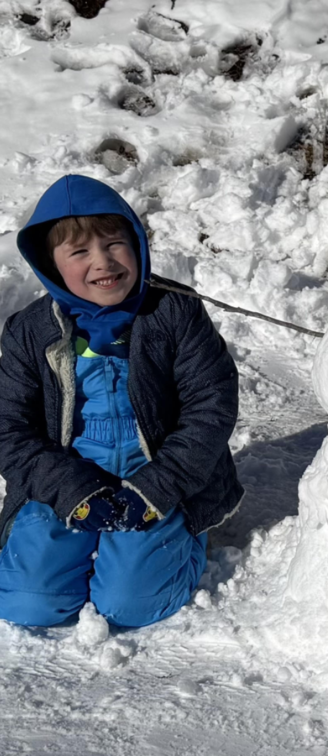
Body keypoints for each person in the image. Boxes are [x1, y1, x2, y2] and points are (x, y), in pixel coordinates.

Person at [0, 174, 244, 629]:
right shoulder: (29, 332)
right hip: (66, 479)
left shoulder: (173, 312)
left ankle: (182, 541)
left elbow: (210, 406)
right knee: (29, 602)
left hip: (158, 474)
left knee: (130, 603)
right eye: (79, 252)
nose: (103, 261)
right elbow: (8, 429)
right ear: (50, 264)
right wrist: (69, 492)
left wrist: (158, 488)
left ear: (136, 242)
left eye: (114, 243)